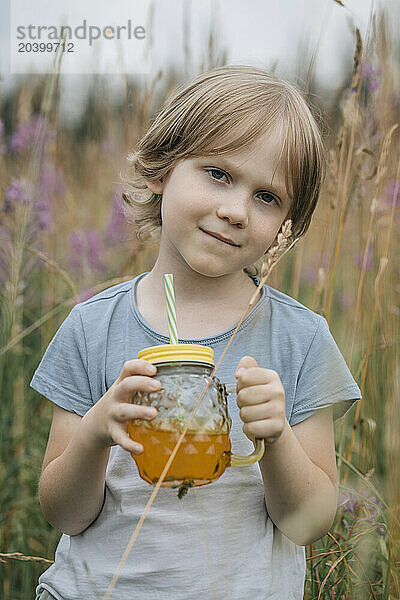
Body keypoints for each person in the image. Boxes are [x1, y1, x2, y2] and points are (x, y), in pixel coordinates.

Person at [31, 65, 362, 600]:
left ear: (287, 226)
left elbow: (308, 525)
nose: (234, 211)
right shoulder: (92, 327)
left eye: (267, 197)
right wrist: (94, 433)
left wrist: (276, 440)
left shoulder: (300, 339)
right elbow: (63, 514)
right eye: (218, 173)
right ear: (160, 170)